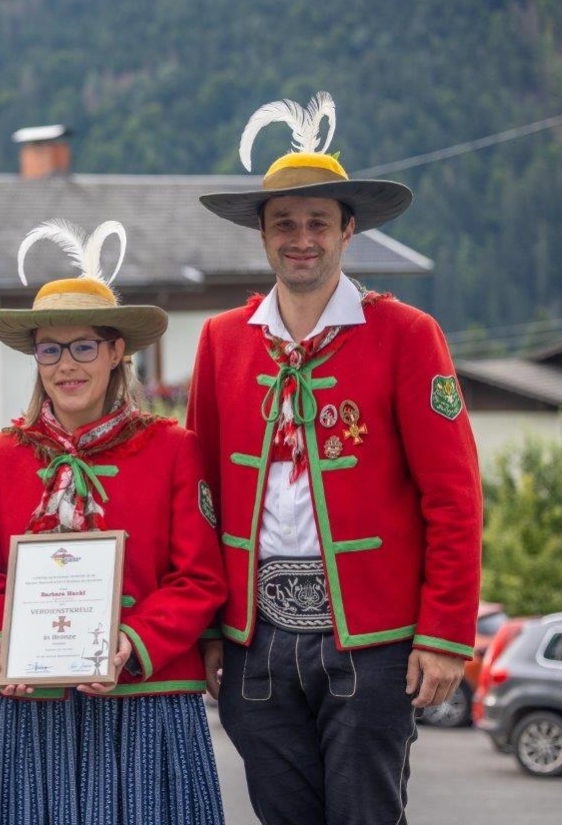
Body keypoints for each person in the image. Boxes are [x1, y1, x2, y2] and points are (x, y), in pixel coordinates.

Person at [190, 92, 483, 824]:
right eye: (284, 222)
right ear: (262, 233)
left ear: (349, 231)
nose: (301, 238)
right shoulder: (222, 341)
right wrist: (208, 629)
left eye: (319, 221)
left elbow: (454, 495)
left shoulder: (407, 334)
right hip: (255, 644)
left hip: (374, 642)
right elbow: (199, 497)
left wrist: (445, 635)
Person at [0, 219, 228, 824]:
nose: (66, 365)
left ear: (116, 353)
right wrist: (2, 642)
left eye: (84, 346)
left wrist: (129, 643)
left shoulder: (172, 448)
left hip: (145, 699)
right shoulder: (2, 456)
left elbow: (200, 579)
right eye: (50, 349)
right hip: (28, 706)